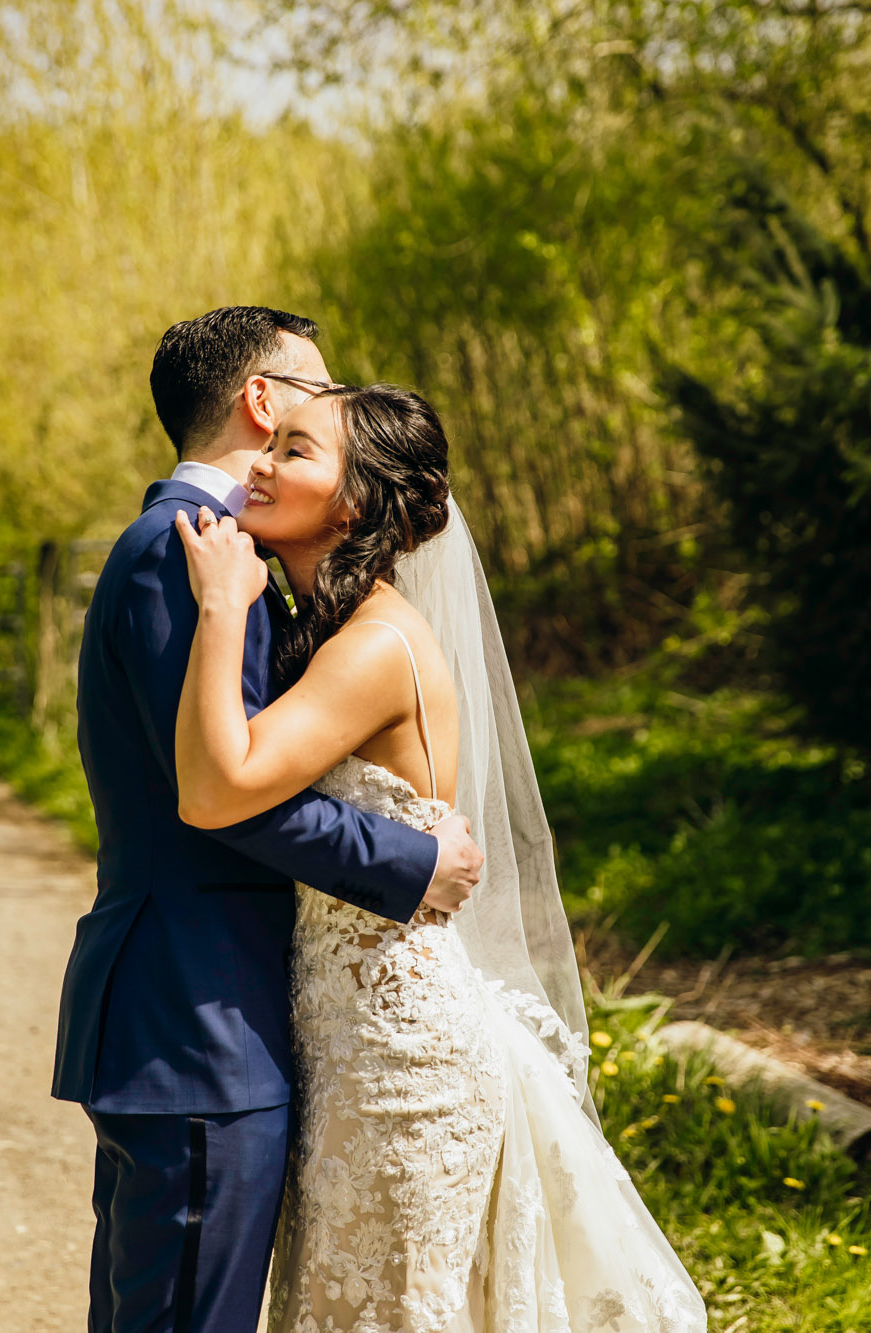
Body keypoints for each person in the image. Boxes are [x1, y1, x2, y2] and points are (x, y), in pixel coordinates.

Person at [172, 382, 708, 1331]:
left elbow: (219, 789)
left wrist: (220, 608)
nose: (256, 463)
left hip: (399, 1061)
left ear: (356, 500)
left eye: (293, 451)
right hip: (347, 1044)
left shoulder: (376, 644)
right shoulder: (334, 633)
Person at [51, 307, 488, 1333]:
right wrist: (407, 856)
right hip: (197, 1020)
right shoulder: (192, 552)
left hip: (231, 1018)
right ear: (260, 401)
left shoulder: (244, 571)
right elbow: (215, 796)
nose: (326, 408)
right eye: (309, 397)